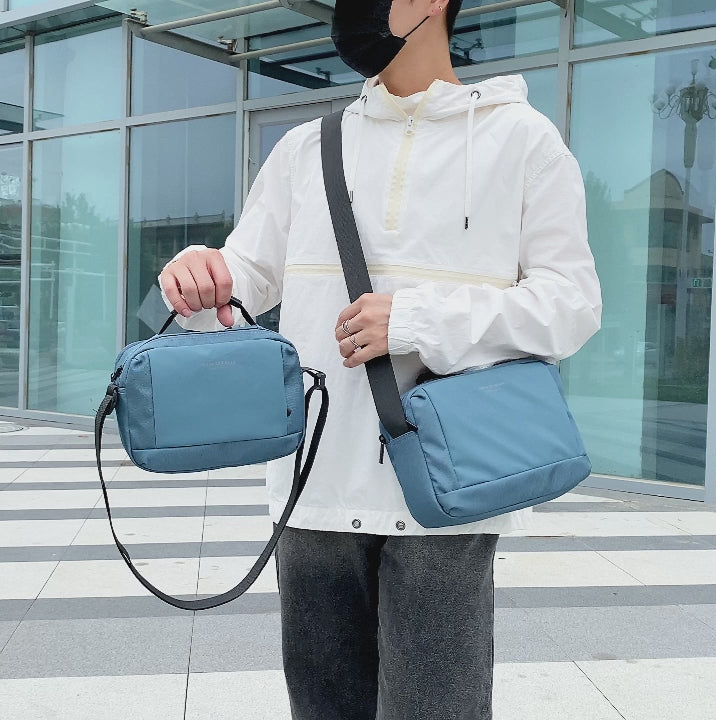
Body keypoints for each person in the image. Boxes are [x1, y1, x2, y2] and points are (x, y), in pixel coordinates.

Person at [158, 1, 602, 717]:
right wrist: (197, 275)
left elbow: (571, 304)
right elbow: (245, 278)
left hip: (445, 494)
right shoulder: (307, 147)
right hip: (314, 486)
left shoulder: (523, 140)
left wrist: (419, 318)